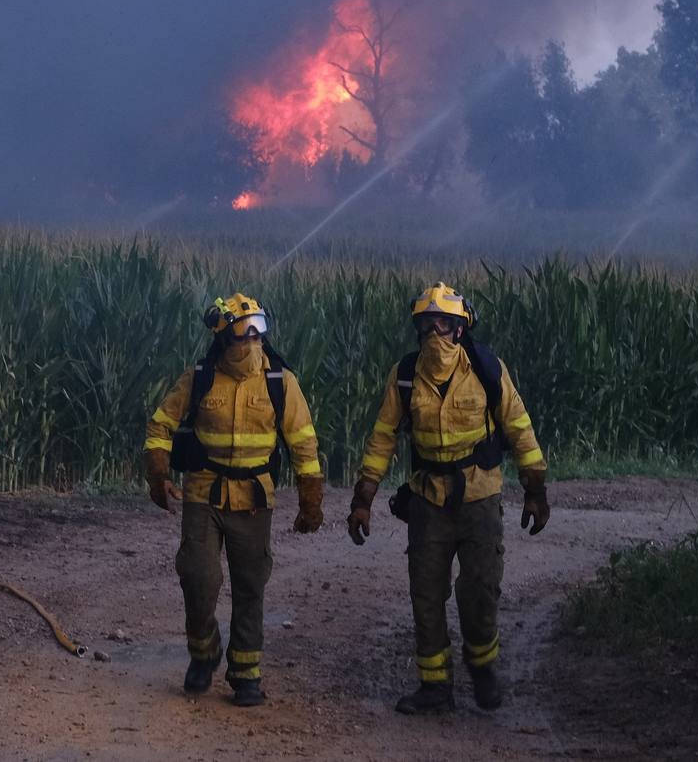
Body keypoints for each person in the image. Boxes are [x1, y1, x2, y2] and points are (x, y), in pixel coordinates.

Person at [346, 282, 549, 713]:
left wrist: (535, 489)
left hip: (479, 496)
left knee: (479, 589)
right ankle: (435, 688)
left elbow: (518, 426)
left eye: (445, 323)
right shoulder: (405, 375)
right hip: (427, 501)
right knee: (425, 593)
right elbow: (383, 438)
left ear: (461, 329)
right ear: (418, 329)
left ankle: (483, 668)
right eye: (428, 324)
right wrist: (363, 497)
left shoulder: (487, 370)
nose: (436, 332)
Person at [144, 293, 324, 707]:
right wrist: (157, 472)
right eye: (244, 332)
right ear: (224, 338)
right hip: (203, 492)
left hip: (254, 499)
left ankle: (245, 673)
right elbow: (161, 425)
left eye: (259, 329)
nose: (253, 340)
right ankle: (203, 654)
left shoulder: (280, 382)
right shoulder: (201, 377)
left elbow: (304, 443)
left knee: (250, 585)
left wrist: (310, 499)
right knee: (197, 576)